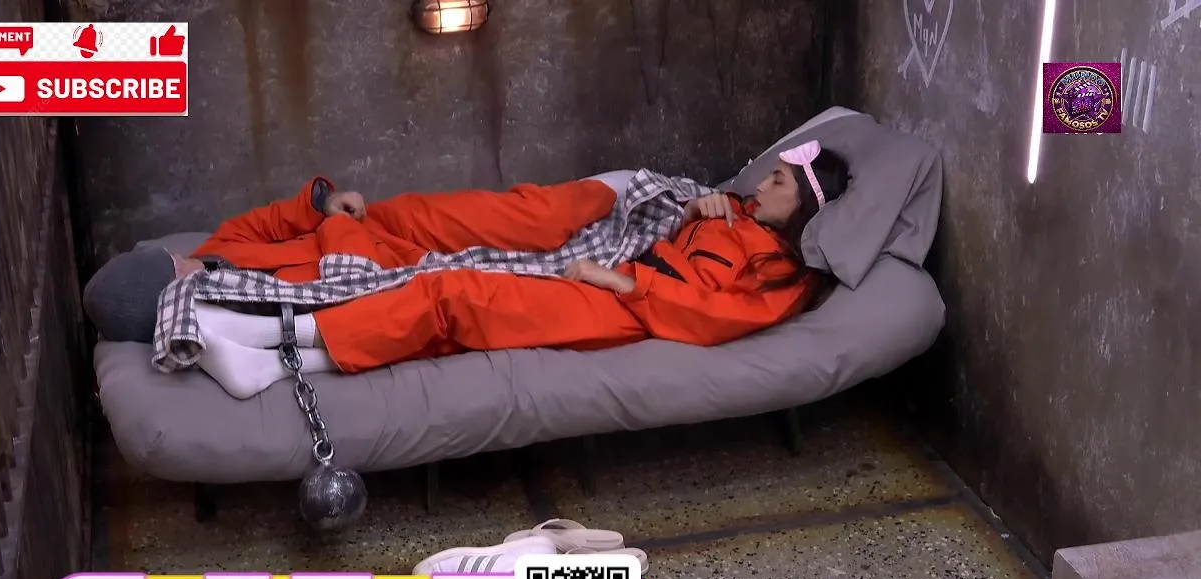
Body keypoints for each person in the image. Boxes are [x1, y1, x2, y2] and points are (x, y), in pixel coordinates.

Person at [84, 141, 850, 399]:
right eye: (182, 267)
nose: (760, 183)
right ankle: (274, 354)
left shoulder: (781, 273)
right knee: (448, 293)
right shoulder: (231, 283)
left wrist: (323, 202)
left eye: (778, 181)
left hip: (626, 289)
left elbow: (281, 215)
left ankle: (273, 355)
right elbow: (336, 268)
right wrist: (706, 210)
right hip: (364, 265)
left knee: (453, 219)